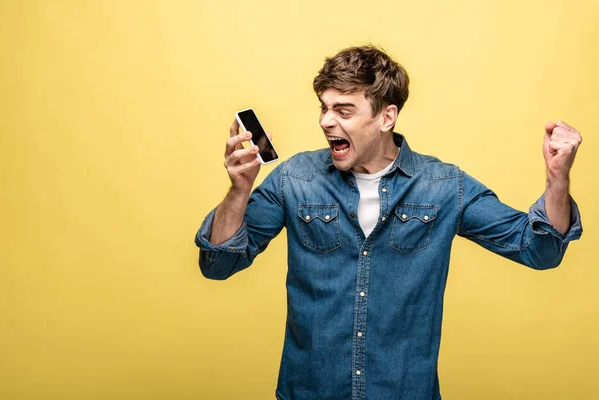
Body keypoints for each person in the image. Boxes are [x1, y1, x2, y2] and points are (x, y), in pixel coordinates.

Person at [194, 45, 583, 400]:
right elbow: (218, 264)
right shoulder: (295, 178)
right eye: (323, 108)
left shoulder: (444, 186)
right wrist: (239, 191)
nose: (327, 121)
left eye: (343, 111)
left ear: (386, 117)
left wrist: (557, 179)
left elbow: (540, 250)